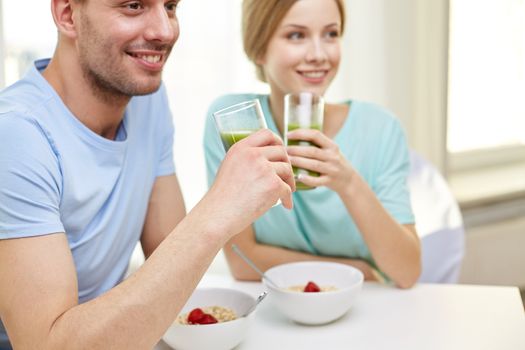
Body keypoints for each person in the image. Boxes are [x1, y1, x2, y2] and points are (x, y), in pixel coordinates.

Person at [0, 0, 294, 348]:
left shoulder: (146, 99)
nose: (165, 31)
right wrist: (217, 210)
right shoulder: (17, 134)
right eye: (134, 6)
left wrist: (235, 208)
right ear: (67, 14)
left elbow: (168, 256)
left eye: (170, 6)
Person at [204, 0, 421, 288]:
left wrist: (348, 182)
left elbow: (406, 272)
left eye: (331, 34)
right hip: (276, 312)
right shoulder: (237, 122)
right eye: (297, 35)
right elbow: (242, 262)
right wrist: (356, 271)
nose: (319, 55)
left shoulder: (380, 128)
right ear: (258, 47)